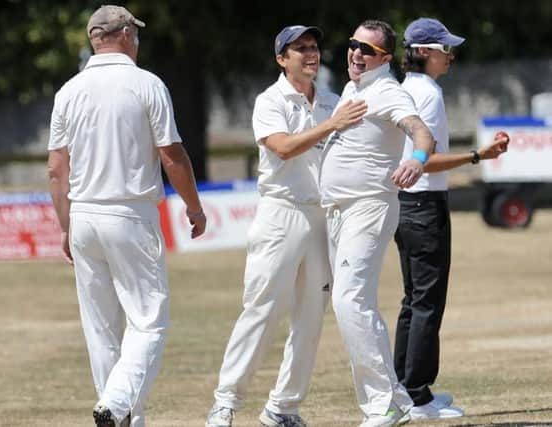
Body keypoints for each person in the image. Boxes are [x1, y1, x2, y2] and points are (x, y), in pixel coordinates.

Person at [47, 5, 206, 427]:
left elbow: (56, 168)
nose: (137, 40)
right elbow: (172, 156)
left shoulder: (69, 90)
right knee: (149, 321)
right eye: (134, 33)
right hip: (130, 213)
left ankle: (124, 417)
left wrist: (65, 225)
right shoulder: (146, 83)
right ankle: (117, 406)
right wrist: (193, 205)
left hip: (83, 214)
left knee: (101, 328)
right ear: (123, 35)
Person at [205, 25, 367, 427]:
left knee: (312, 317)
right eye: (300, 49)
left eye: (313, 47)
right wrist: (332, 125)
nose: (310, 54)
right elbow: (282, 147)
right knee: (261, 309)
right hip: (281, 212)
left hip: (322, 216)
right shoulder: (270, 100)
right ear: (282, 58)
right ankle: (225, 402)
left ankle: (284, 407)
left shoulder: (334, 100)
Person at [319, 20, 437, 427]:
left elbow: (422, 135)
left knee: (348, 300)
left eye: (366, 50)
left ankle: (382, 405)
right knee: (357, 304)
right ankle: (398, 398)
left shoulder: (388, 90)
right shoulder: (354, 88)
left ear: (385, 59)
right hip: (339, 210)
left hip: (368, 208)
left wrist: (416, 161)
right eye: (353, 45)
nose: (355, 53)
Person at [392, 17, 509, 421]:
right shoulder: (427, 94)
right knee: (427, 302)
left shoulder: (407, 90)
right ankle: (418, 395)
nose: (451, 55)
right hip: (424, 205)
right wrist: (479, 156)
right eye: (444, 49)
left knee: (414, 300)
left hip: (407, 206)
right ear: (423, 52)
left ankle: (405, 387)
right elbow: (424, 160)